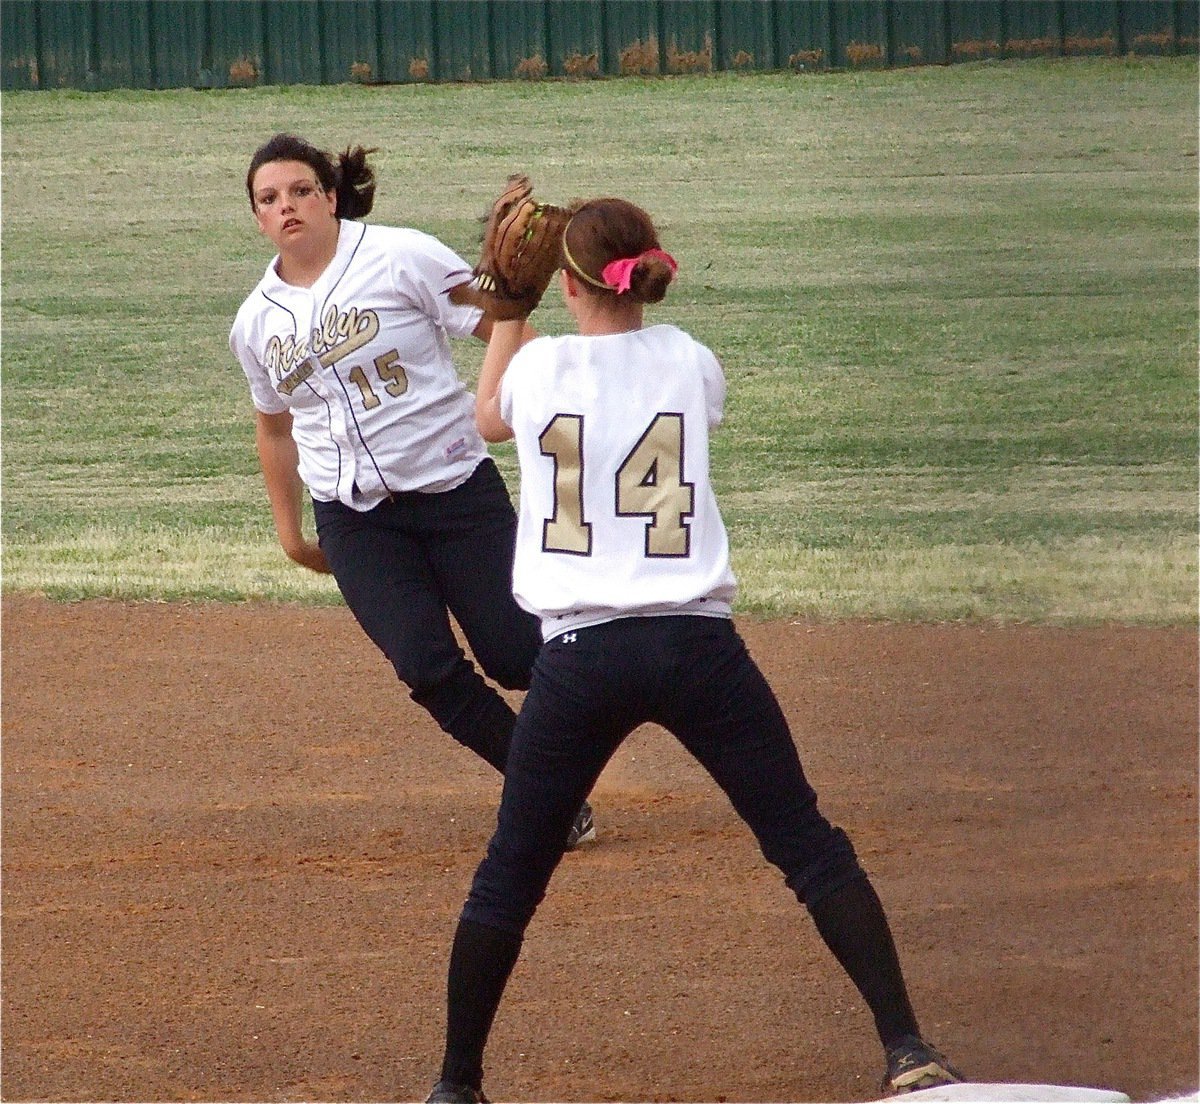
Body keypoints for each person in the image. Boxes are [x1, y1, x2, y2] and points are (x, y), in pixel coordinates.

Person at [424, 197, 965, 1103]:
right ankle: (908, 1047)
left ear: (565, 285)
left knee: (510, 875)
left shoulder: (541, 363)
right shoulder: (689, 358)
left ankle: (455, 1085)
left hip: (580, 657)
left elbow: (487, 417)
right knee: (808, 847)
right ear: (647, 272)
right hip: (697, 649)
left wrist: (506, 315)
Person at [228, 133, 594, 847]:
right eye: (269, 199)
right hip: (353, 518)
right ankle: (548, 796)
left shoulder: (401, 256)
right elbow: (274, 428)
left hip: (456, 489)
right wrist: (292, 533)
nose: (287, 206)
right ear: (258, 219)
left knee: (519, 656)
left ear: (331, 197)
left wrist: (532, 409)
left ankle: (590, 723)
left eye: (301, 190)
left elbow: (505, 322)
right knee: (427, 669)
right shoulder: (254, 323)